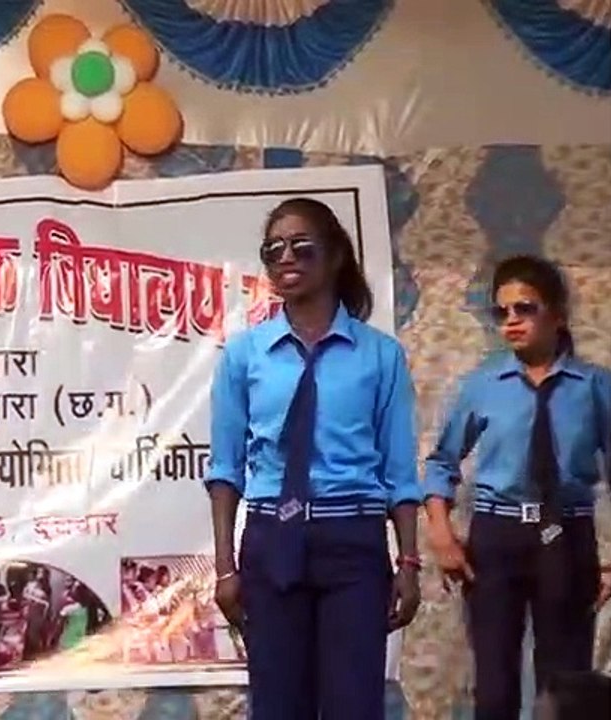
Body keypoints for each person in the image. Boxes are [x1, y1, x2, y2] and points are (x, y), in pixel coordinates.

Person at [206, 198, 422, 719]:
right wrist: (224, 568)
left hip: (353, 541)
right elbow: (225, 470)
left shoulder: (380, 354)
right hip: (271, 540)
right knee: (279, 706)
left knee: (354, 706)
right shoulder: (244, 354)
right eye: (273, 249)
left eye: (302, 246)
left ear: (335, 257)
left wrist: (409, 562)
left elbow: (399, 471)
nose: (286, 258)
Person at [424, 255, 611, 719]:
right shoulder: (481, 386)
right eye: (501, 312)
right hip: (497, 538)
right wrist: (442, 533)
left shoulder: (594, 388)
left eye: (524, 308)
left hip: (568, 537)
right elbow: (441, 462)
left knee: (565, 684)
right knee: (493, 683)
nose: (511, 321)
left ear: (557, 315)